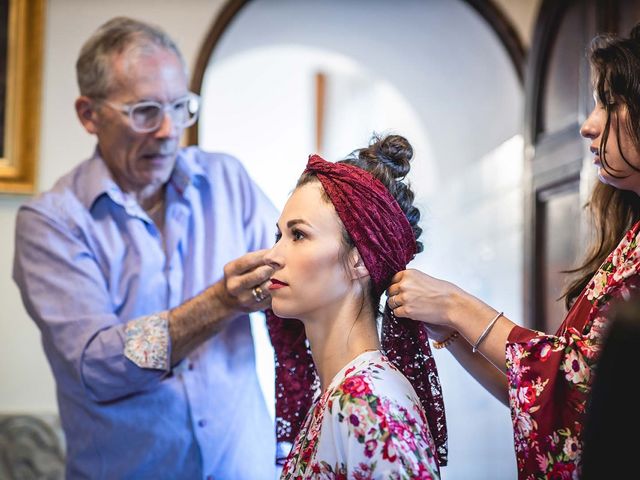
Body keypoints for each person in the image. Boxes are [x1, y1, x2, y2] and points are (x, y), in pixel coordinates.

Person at [12, 17, 278, 479]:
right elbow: (99, 365)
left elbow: (290, 283)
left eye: (179, 107)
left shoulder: (227, 181)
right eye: (145, 111)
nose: (168, 130)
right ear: (88, 114)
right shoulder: (51, 223)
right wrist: (221, 302)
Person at [385, 23, 640, 479]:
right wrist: (448, 327)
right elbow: (540, 394)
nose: (588, 123)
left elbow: (575, 382)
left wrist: (453, 302)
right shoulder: (630, 236)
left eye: (609, 102)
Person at [264, 135, 446, 479]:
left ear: (360, 260)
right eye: (279, 237)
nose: (273, 256)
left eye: (298, 235)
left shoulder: (368, 403)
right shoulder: (339, 392)